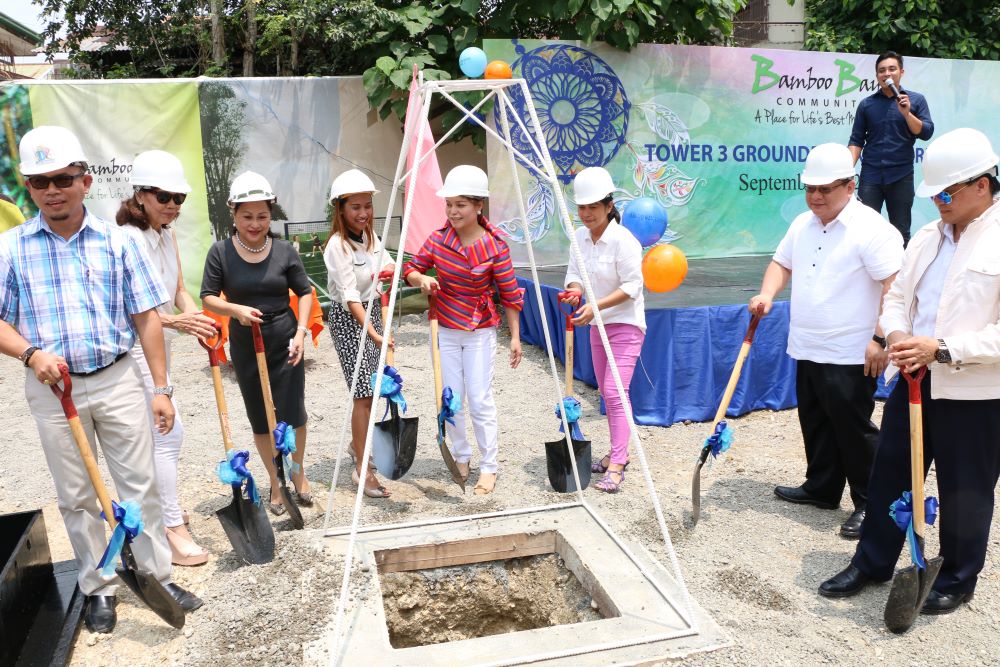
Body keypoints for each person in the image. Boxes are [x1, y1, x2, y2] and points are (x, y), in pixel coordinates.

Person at [0, 126, 201, 634]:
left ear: (85, 181)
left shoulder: (118, 243)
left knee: (141, 486)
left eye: (63, 178)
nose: (52, 190)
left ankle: (156, 576)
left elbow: (147, 318)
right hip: (52, 390)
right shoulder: (12, 249)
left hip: (115, 381)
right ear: (29, 187)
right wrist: (30, 353)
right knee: (76, 495)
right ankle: (100, 587)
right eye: (40, 181)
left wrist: (161, 388)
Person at [819, 128, 1000, 615]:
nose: (938, 201)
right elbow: (898, 296)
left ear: (981, 185)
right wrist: (898, 337)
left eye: (947, 193)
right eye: (934, 193)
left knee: (967, 489)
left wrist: (942, 348)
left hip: (977, 393)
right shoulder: (927, 235)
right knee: (891, 475)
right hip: (915, 379)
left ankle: (958, 578)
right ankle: (873, 561)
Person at [750, 143, 903, 539]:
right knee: (815, 419)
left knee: (853, 427)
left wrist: (879, 338)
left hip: (852, 349)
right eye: (810, 189)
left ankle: (872, 503)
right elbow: (781, 263)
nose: (816, 196)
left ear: (849, 186)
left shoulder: (871, 229)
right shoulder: (802, 224)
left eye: (825, 189)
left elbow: (895, 285)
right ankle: (822, 487)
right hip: (807, 342)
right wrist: (767, 294)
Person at [116, 150, 217, 566]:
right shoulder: (127, 238)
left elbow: (177, 290)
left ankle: (161, 512)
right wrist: (180, 323)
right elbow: (134, 308)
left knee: (158, 434)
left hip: (161, 345)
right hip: (133, 346)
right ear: (139, 196)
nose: (172, 205)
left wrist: (197, 318)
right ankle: (172, 527)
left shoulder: (166, 233)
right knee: (167, 433)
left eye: (179, 197)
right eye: (163, 196)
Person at [403, 165, 524, 495]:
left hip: (480, 329)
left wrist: (514, 337)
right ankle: (461, 455)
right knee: (450, 397)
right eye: (450, 204)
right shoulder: (438, 240)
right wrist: (421, 279)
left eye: (461, 205)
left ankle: (489, 467)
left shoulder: (496, 246)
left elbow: (511, 294)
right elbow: (410, 268)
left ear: (479, 205)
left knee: (480, 399)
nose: (453, 211)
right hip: (444, 328)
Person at [200, 171, 314, 515]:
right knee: (261, 417)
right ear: (233, 214)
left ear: (271, 214)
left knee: (293, 412)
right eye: (247, 216)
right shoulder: (220, 252)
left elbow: (305, 292)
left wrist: (301, 334)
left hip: (285, 340)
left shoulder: (283, 251)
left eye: (262, 216)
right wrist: (234, 309)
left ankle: (297, 472)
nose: (255, 223)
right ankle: (275, 483)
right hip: (246, 344)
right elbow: (207, 297)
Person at [558, 167, 645, 493]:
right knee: (607, 393)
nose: (586, 214)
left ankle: (619, 463)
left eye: (593, 207)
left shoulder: (625, 241)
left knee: (614, 391)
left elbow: (633, 287)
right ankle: (615, 453)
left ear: (609, 205)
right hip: (597, 324)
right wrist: (576, 291)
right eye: (582, 207)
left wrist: (595, 305)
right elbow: (574, 273)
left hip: (625, 323)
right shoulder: (579, 238)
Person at [323, 169, 393, 498]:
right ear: (340, 209)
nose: (363, 213)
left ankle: (357, 444)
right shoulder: (337, 247)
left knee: (374, 387)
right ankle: (362, 471)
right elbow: (350, 295)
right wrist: (375, 334)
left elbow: (388, 266)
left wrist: (407, 276)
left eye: (367, 206)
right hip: (349, 318)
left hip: (373, 312)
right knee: (363, 393)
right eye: (355, 207)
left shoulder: (370, 238)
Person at [849, 51, 934, 244]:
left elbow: (926, 132)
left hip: (901, 175)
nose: (887, 74)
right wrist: (846, 171)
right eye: (881, 70)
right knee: (865, 231)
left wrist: (906, 114)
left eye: (891, 69)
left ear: (901, 72)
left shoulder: (916, 100)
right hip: (871, 175)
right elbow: (856, 140)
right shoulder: (866, 104)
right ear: (877, 75)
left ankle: (901, 273)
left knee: (900, 230)